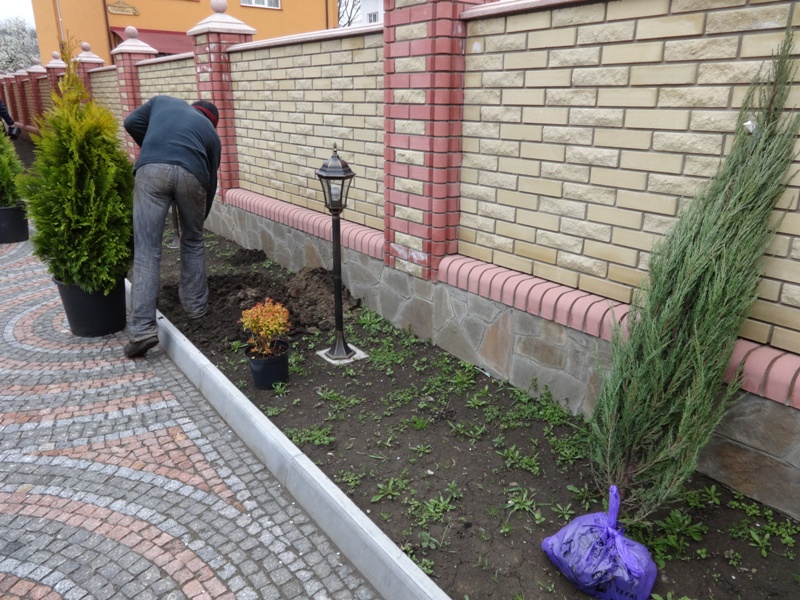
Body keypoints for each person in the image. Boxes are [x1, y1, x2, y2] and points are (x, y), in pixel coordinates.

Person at [122, 96, 221, 358]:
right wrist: (196, 224)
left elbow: (131, 122)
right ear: (212, 122)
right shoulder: (211, 135)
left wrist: (153, 148)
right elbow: (210, 183)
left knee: (147, 250)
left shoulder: (162, 102)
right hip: (193, 175)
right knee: (193, 243)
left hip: (151, 171)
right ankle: (196, 310)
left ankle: (142, 329)